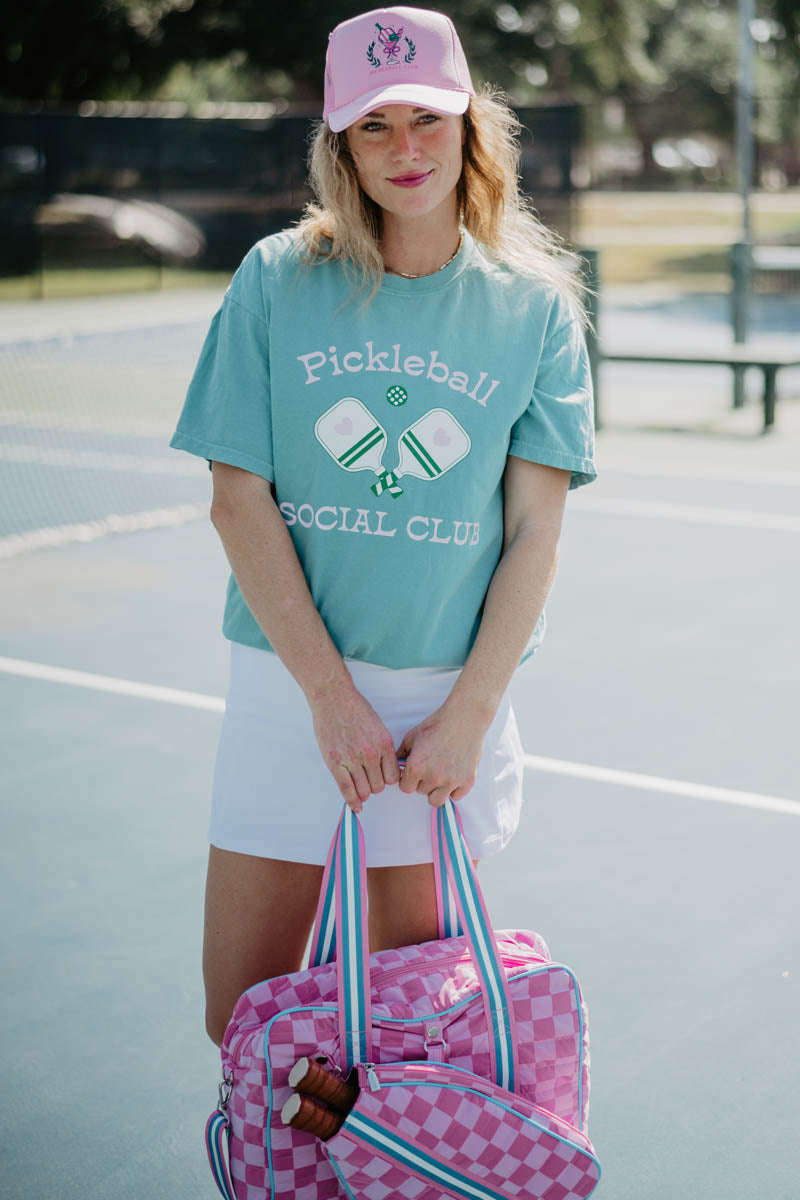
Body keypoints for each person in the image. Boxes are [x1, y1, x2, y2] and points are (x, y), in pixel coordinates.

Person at [170, 5, 597, 1048]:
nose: (404, 150)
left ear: (469, 128)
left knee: (404, 1038)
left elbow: (533, 535)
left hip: (436, 718)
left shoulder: (533, 308)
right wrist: (326, 697)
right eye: (373, 127)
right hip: (289, 690)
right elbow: (238, 499)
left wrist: (468, 714)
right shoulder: (277, 279)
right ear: (339, 147)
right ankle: (306, 1168)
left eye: (426, 120)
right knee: (245, 1026)